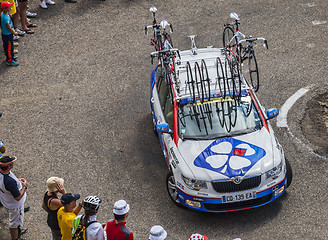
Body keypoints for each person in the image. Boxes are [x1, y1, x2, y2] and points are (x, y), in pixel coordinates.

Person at [0, 156, 28, 240]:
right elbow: (18, 197)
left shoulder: (3, 174)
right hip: (15, 205)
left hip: (6, 200)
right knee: (14, 223)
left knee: (15, 220)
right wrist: (24, 187)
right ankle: (15, 238)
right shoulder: (9, 182)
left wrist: (17, 180)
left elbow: (9, 182)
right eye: (12, 163)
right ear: (9, 166)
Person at [1, 1, 19, 66]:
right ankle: (9, 60)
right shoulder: (5, 18)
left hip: (7, 34)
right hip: (7, 34)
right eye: (9, 7)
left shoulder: (4, 14)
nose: (10, 8)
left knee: (10, 46)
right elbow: (9, 27)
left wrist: (9, 14)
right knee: (8, 47)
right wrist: (14, 32)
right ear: (4, 9)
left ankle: (12, 56)